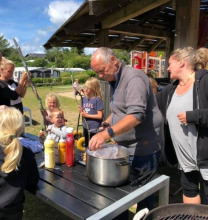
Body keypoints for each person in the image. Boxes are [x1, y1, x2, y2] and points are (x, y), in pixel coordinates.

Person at [89, 47, 164, 213]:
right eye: (97, 73)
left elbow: (136, 116)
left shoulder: (134, 79)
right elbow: (119, 109)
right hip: (125, 146)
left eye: (101, 71)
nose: (100, 76)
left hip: (144, 147)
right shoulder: (114, 78)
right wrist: (107, 124)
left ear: (114, 61)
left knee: (144, 194)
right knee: (121, 195)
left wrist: (106, 134)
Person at [156, 47, 208, 204]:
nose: (168, 67)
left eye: (170, 63)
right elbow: (149, 102)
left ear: (181, 63)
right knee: (189, 191)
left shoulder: (205, 81)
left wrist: (193, 116)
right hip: (185, 160)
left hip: (206, 157)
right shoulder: (170, 90)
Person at [79, 77, 103, 148]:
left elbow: (100, 116)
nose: (86, 89)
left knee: (93, 147)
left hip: (94, 129)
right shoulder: (85, 98)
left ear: (94, 89)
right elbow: (84, 110)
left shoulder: (97, 100)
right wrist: (81, 110)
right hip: (85, 126)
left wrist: (86, 115)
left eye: (88, 88)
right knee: (87, 145)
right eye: (85, 87)